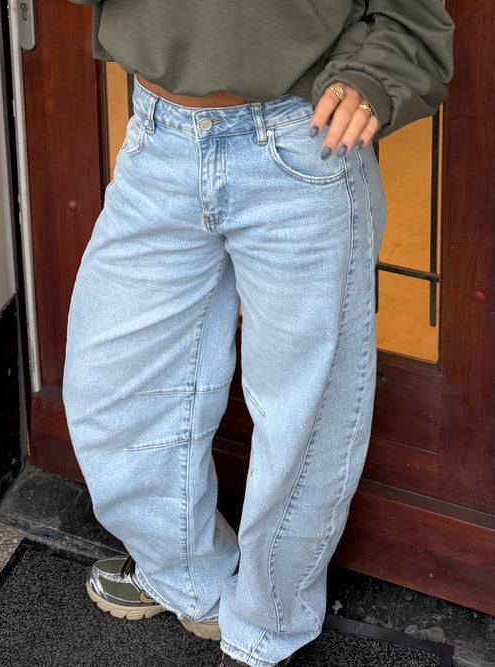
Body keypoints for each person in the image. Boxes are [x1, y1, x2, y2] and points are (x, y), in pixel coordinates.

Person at [63, 2, 454, 665]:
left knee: (305, 417)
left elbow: (412, 14)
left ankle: (267, 628)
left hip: (301, 140)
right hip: (158, 138)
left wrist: (375, 76)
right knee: (110, 391)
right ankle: (189, 579)